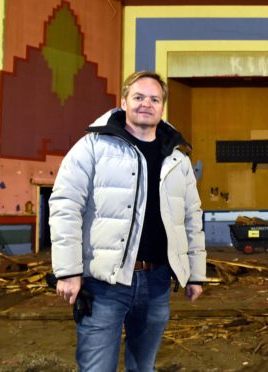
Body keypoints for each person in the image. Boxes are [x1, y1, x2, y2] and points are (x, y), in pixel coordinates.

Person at [49, 71, 207, 371]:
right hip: (103, 284)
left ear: (162, 107)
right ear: (123, 102)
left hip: (158, 282)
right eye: (138, 97)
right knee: (96, 368)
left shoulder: (178, 160)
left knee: (143, 367)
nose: (146, 103)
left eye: (154, 98)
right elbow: (65, 206)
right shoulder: (93, 147)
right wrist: (68, 270)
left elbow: (191, 219)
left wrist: (196, 273)